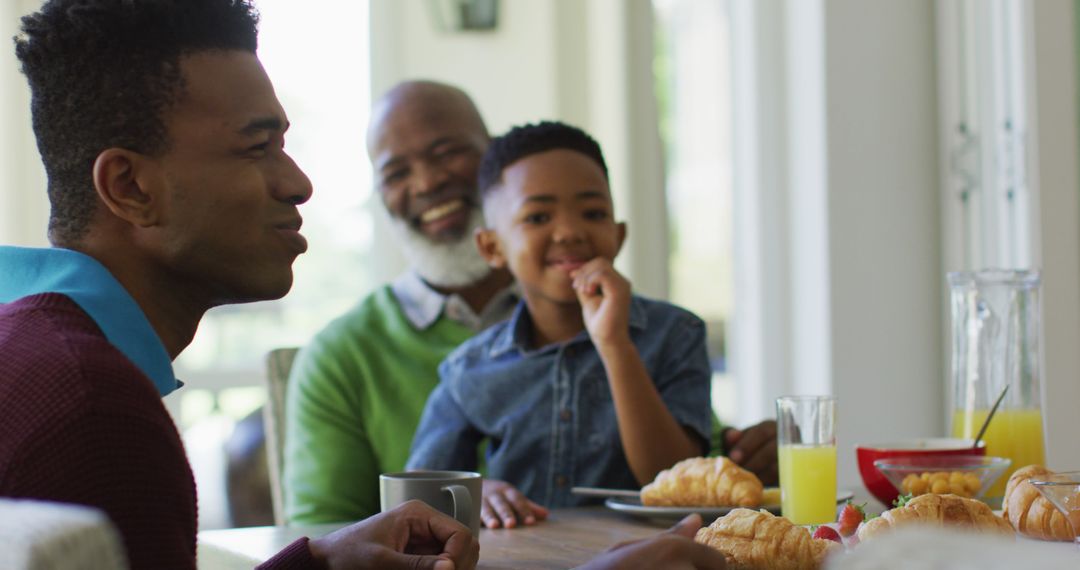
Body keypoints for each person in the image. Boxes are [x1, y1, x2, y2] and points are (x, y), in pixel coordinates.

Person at [0, 2, 730, 569]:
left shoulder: (42, 356)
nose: (299, 182)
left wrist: (317, 561)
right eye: (258, 149)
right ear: (130, 186)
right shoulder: (95, 414)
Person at [407, 121, 716, 510]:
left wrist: (614, 343)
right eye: (537, 218)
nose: (570, 232)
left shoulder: (676, 334)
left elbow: (678, 484)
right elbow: (419, 495)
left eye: (593, 212)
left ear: (618, 236)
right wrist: (478, 492)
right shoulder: (470, 368)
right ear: (491, 247)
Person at [283, 80, 548, 529]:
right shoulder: (342, 356)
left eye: (447, 152)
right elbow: (319, 540)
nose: (427, 182)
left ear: (495, 158)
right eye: (396, 173)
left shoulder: (590, 317)